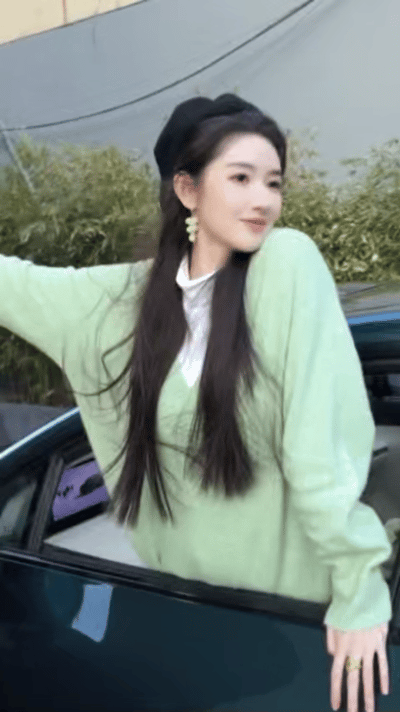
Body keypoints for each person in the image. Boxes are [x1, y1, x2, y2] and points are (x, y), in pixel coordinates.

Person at [0, 94, 391, 711]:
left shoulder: (286, 264)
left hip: (298, 624)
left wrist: (360, 589)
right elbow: (11, 284)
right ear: (187, 190)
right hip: (188, 627)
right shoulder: (116, 304)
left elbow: (321, 446)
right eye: (240, 178)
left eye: (273, 182)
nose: (263, 200)